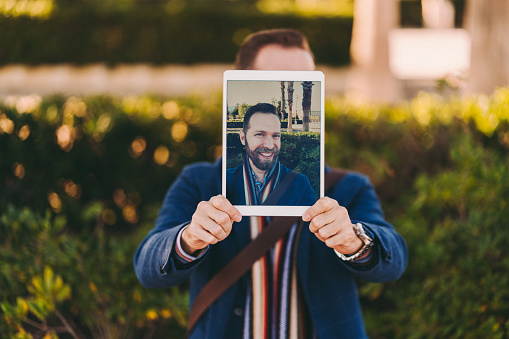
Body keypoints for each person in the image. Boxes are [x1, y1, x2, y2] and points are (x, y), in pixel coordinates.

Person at [134, 29, 408, 339]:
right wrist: (188, 239)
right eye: (274, 80)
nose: (285, 90)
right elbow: (147, 266)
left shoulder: (345, 188)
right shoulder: (200, 182)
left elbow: (393, 260)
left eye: (303, 81)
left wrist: (356, 241)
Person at [226, 102, 316, 206]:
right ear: (243, 138)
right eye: (259, 134)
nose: (269, 145)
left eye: (276, 136)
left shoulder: (300, 184)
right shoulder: (225, 182)